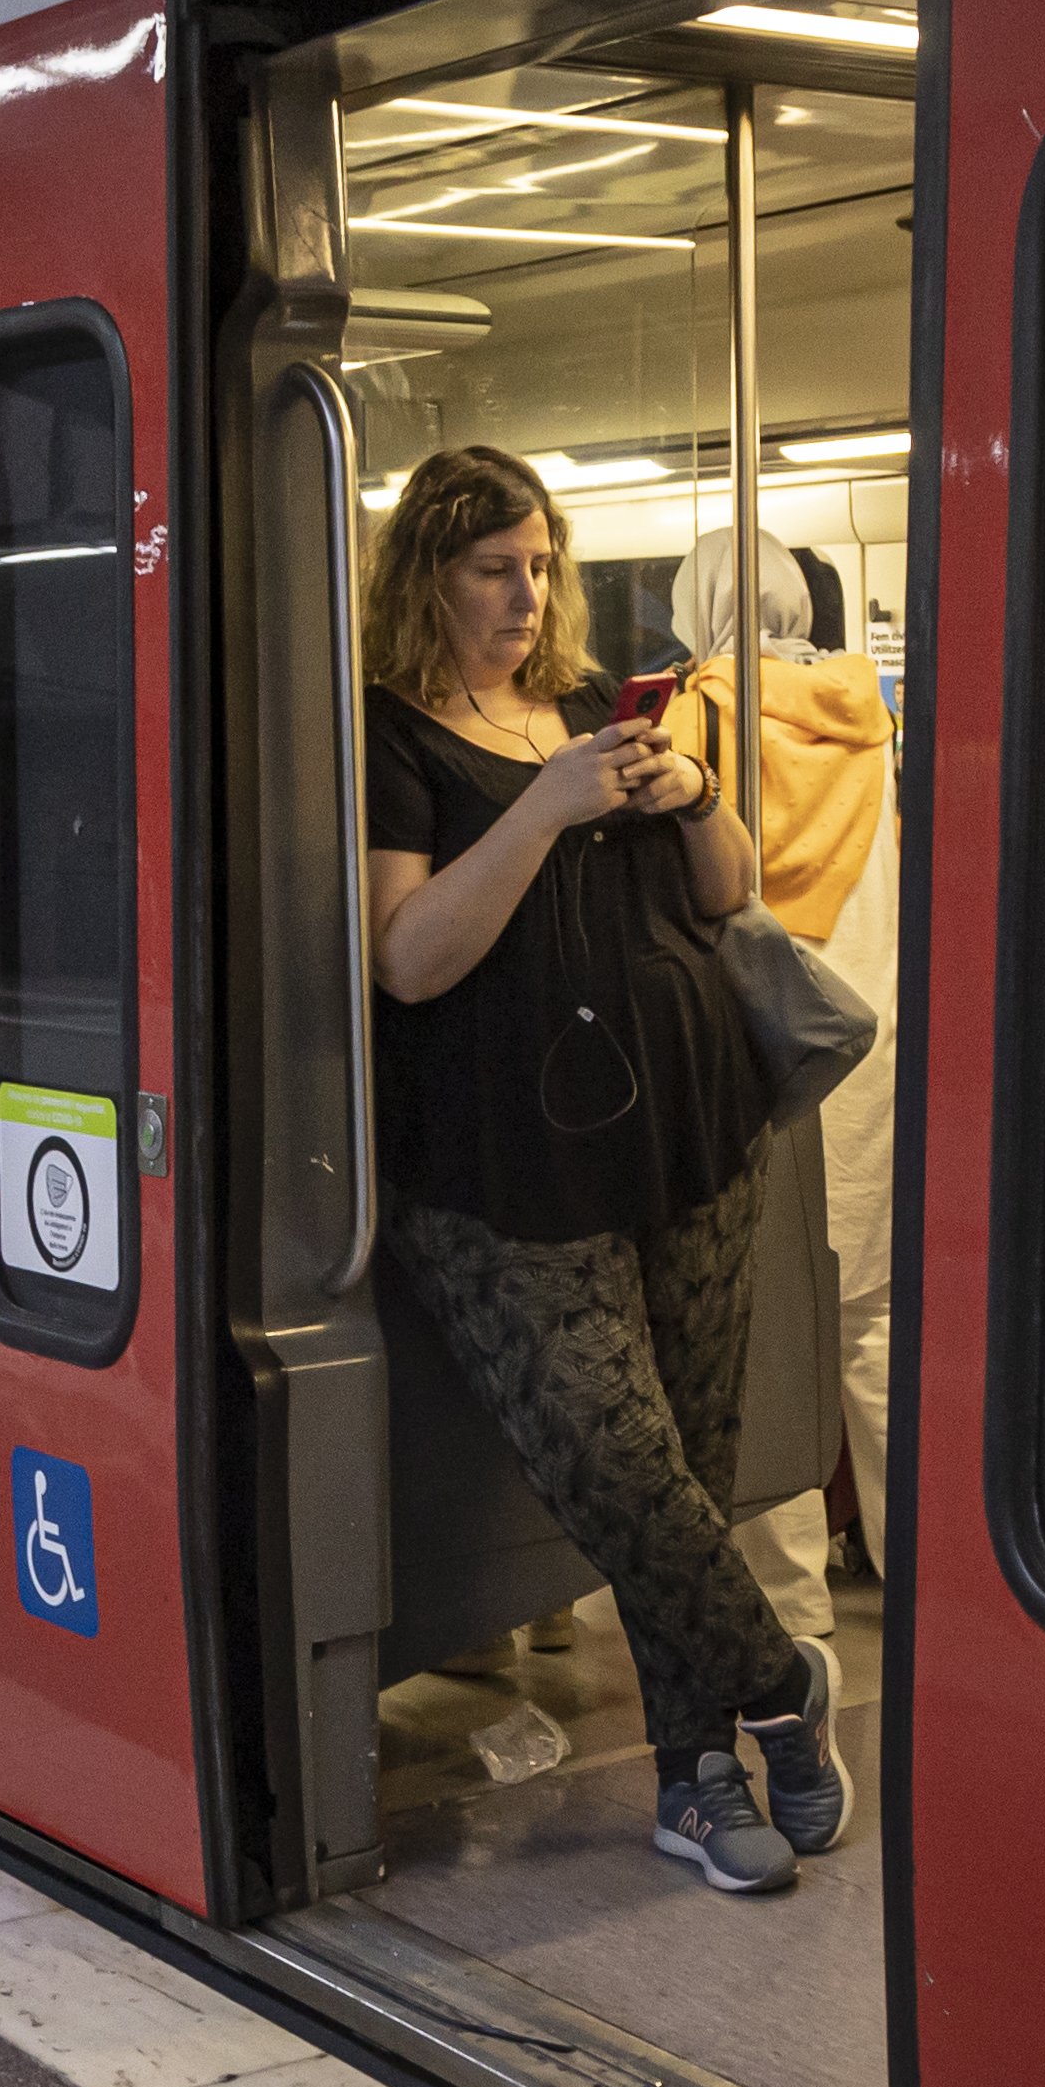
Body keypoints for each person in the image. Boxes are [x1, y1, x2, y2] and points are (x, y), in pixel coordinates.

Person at [362, 447, 849, 1894]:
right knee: (621, 1469)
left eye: (541, 564)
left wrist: (692, 789)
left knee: (687, 1471)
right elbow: (406, 955)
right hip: (504, 1177)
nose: (529, 593)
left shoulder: (592, 707)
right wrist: (544, 807)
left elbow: (728, 893)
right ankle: (783, 1680)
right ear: (428, 578)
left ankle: (698, 1784)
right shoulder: (389, 732)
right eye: (494, 568)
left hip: (692, 1136)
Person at [650, 532, 900, 1643]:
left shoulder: (693, 717)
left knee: (763, 1336)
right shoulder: (870, 719)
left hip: (760, 1049)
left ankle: (790, 1613)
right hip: (870, 1040)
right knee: (870, 1324)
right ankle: (924, 1568)